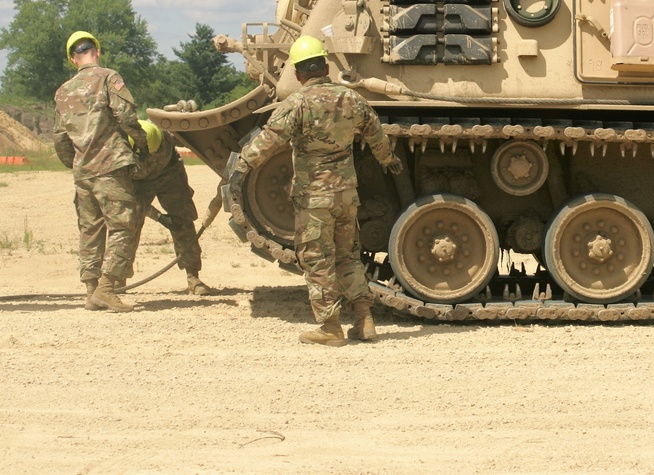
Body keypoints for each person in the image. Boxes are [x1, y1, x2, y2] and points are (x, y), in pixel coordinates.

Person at [230, 35, 402, 346]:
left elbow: (269, 139)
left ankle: (330, 327)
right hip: (347, 195)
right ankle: (364, 320)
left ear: (297, 73)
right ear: (325, 66)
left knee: (317, 258)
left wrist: (241, 167)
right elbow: (375, 131)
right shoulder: (352, 99)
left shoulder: (297, 103)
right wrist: (388, 160)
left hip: (314, 198)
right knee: (348, 256)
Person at [53, 30, 147, 313]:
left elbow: (59, 138)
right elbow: (126, 116)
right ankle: (107, 287)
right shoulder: (108, 77)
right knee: (124, 225)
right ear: (97, 51)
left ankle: (91, 291)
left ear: (73, 58)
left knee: (90, 230)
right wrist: (141, 141)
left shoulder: (62, 91)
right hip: (110, 167)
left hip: (83, 171)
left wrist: (76, 162)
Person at [127, 119, 213, 295]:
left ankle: (193, 277)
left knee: (183, 220)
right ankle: (117, 277)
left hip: (171, 175)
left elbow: (194, 137)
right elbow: (131, 198)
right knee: (127, 224)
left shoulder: (165, 134)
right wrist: (161, 218)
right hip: (137, 184)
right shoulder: (119, 152)